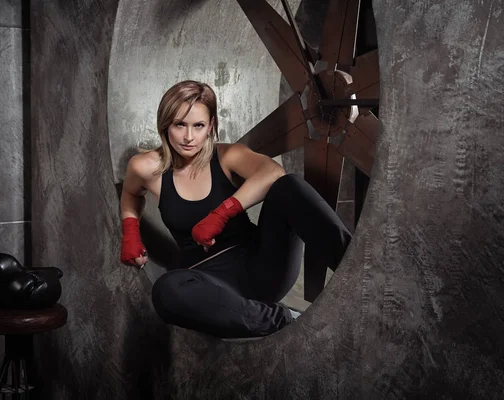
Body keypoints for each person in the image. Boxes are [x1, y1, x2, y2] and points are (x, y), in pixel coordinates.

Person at [119, 80, 351, 339]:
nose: (188, 137)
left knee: (289, 186)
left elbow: (273, 172)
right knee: (165, 291)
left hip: (264, 265)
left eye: (198, 126)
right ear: (165, 125)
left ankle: (358, 274)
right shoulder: (145, 167)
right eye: (179, 125)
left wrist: (223, 213)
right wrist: (131, 230)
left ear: (211, 126)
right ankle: (287, 322)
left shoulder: (227, 155)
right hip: (213, 285)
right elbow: (131, 193)